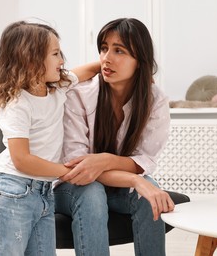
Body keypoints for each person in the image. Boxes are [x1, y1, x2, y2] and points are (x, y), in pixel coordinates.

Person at [54, 18, 175, 256]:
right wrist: (135, 180)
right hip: (69, 186)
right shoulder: (79, 94)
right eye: (103, 48)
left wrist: (105, 160)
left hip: (114, 185)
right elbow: (79, 168)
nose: (106, 58)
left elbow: (144, 160)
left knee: (148, 193)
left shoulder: (155, 100)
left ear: (139, 60)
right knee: (92, 193)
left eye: (119, 50)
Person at [0, 20, 99, 256]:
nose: (62, 60)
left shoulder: (58, 87)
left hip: (43, 191)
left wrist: (113, 63)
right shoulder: (17, 103)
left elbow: (87, 70)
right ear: (31, 59)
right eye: (56, 54)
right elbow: (22, 160)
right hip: (12, 191)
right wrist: (66, 171)